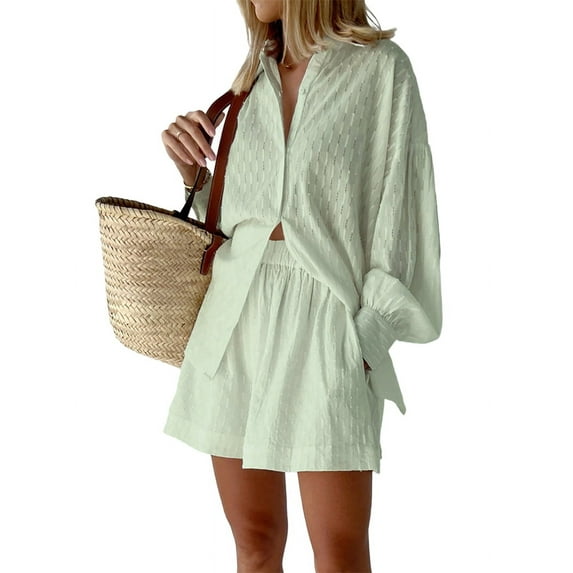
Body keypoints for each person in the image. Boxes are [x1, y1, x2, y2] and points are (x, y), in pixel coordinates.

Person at [160, 0, 443, 571]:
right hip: (236, 321)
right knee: (255, 544)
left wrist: (364, 339)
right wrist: (195, 177)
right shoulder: (249, 80)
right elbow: (243, 221)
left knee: (339, 553)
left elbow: (401, 217)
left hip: (327, 323)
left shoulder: (382, 70)